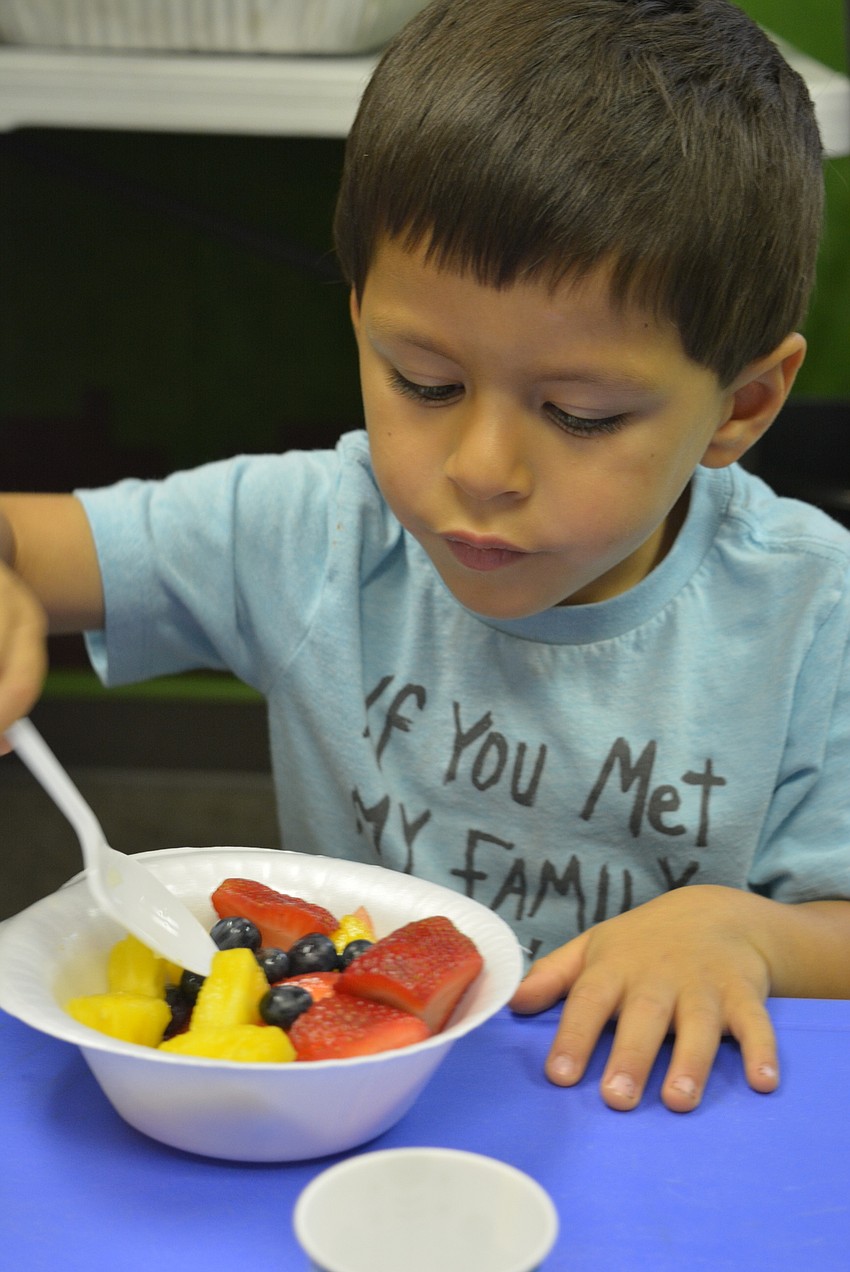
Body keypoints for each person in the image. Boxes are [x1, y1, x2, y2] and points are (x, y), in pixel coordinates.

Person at [1, 0, 849, 1113]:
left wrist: (750, 935)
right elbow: (26, 540)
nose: (481, 467)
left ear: (741, 406)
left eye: (580, 413)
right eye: (425, 383)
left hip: (644, 1113)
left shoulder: (807, 606)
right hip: (341, 1119)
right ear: (361, 323)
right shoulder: (317, 529)